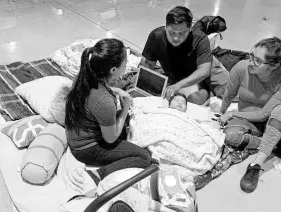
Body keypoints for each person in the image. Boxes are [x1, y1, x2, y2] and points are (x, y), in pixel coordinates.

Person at [218, 36, 281, 193]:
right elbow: (229, 93)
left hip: (279, 121)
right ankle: (276, 144)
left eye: (257, 60)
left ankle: (255, 165)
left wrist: (232, 114)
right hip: (251, 119)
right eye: (251, 56)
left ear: (274, 65)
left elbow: (264, 114)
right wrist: (222, 111)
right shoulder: (242, 68)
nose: (251, 62)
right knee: (230, 136)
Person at [65, 38, 152, 185]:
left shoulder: (83, 78)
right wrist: (124, 110)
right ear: (113, 70)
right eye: (125, 63)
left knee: (123, 125)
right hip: (86, 150)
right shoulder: (105, 101)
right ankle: (98, 175)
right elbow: (110, 139)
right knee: (145, 157)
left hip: (76, 137)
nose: (126, 66)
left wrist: (115, 90)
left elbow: (94, 97)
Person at [141, 6, 213, 105]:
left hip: (194, 80)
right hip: (170, 78)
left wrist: (179, 85)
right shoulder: (156, 36)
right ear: (165, 27)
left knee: (193, 101)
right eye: (171, 33)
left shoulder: (200, 39)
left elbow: (205, 70)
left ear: (190, 29)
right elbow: (148, 65)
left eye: (182, 33)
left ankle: (209, 94)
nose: (176, 38)